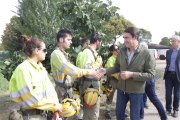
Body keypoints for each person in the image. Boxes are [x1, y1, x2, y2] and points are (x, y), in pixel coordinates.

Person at [99, 27, 156, 120]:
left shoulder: (147, 54)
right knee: (119, 115)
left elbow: (151, 75)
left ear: (135, 37)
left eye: (127, 37)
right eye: (124, 38)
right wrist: (105, 70)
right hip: (121, 90)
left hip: (136, 92)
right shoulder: (122, 51)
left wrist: (132, 74)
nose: (124, 40)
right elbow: (117, 67)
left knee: (134, 117)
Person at [9, 35, 62, 120]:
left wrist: (55, 111)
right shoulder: (23, 69)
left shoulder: (41, 69)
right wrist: (54, 106)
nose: (46, 52)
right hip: (31, 116)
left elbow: (51, 91)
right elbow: (31, 99)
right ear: (36, 51)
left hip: (45, 114)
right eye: (44, 50)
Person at [50, 29, 97, 102]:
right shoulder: (56, 54)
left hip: (67, 90)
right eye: (68, 40)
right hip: (61, 91)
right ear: (61, 39)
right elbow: (73, 71)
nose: (71, 42)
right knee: (63, 112)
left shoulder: (63, 54)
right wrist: (90, 71)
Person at [76, 32, 102, 120]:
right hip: (90, 85)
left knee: (92, 112)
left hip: (92, 85)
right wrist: (98, 64)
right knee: (91, 114)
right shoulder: (87, 52)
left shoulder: (92, 52)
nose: (101, 45)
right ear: (98, 41)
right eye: (100, 42)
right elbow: (86, 71)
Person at [139, 42, 168, 120]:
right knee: (146, 98)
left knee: (151, 98)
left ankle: (163, 116)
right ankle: (163, 116)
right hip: (149, 79)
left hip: (147, 80)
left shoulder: (143, 56)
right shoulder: (150, 55)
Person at [163, 35, 180, 118]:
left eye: (174, 41)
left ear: (178, 42)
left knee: (177, 94)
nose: (172, 42)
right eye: (172, 41)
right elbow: (167, 63)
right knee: (168, 94)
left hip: (178, 76)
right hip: (169, 75)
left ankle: (175, 110)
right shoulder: (168, 52)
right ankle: (168, 109)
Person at [104, 45, 119, 119]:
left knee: (121, 96)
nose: (117, 51)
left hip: (119, 80)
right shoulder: (110, 59)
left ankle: (119, 111)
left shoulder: (119, 58)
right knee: (110, 96)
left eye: (118, 49)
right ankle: (107, 111)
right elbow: (110, 72)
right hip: (112, 80)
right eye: (116, 50)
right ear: (112, 51)